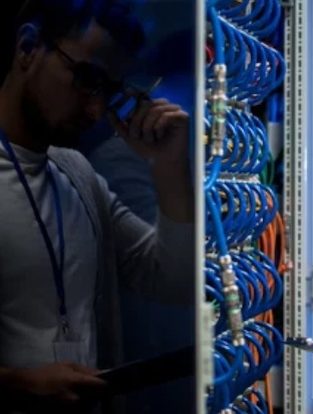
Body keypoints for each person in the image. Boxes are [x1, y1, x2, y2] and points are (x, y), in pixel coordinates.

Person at [0, 0, 194, 411]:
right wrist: (17, 383)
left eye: (106, 92)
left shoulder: (77, 174)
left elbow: (177, 281)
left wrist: (169, 166)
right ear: (27, 49)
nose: (94, 110)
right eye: (86, 79)